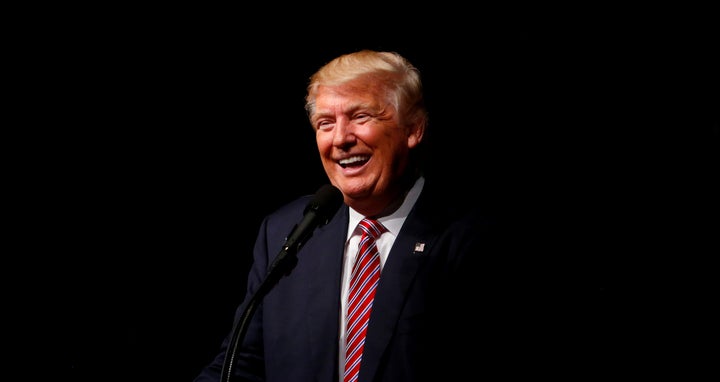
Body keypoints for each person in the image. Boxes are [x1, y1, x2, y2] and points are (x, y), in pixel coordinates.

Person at [193, 49, 605, 382]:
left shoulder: (474, 238)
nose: (341, 139)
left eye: (360, 116)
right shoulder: (286, 229)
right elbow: (242, 364)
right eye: (325, 123)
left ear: (413, 129)